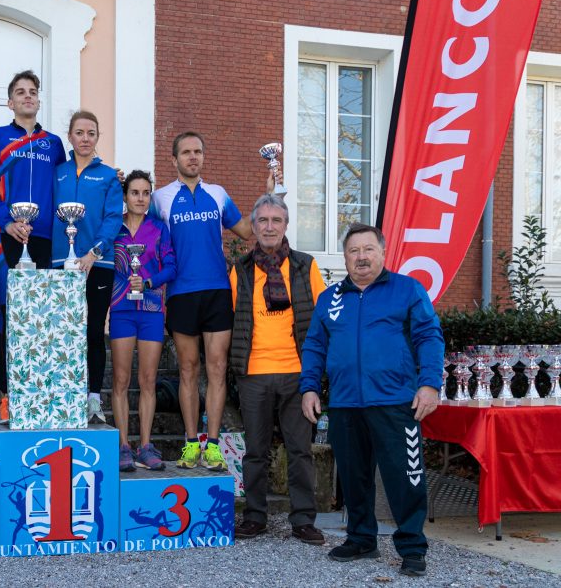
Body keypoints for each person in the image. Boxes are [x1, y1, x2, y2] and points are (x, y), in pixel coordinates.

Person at [300, 223, 444, 578]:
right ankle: (362, 538)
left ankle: (412, 546)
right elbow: (315, 346)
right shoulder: (329, 299)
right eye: (354, 251)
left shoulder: (407, 290)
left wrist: (429, 384)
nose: (361, 257)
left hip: (396, 403)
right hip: (346, 403)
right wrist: (309, 387)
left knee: (405, 477)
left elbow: (429, 336)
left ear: (383, 252)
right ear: (345, 257)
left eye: (368, 249)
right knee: (353, 476)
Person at [150, 131, 260, 470]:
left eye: (198, 151)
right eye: (186, 152)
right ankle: (189, 443)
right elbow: (148, 239)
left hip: (217, 292)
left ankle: (212, 445)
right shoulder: (160, 198)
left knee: (216, 369)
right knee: (187, 370)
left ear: (203, 156)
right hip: (181, 293)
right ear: (175, 160)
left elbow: (246, 231)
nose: (193, 157)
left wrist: (272, 195)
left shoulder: (219, 194)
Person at [230, 194, 326, 545]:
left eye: (276, 220)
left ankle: (303, 520)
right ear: (253, 227)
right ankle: (254, 517)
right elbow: (233, 316)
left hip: (297, 373)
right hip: (253, 372)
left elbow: (320, 319)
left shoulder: (305, 266)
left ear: (286, 225)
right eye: (263, 221)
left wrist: (316, 371)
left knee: (299, 450)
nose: (269, 227)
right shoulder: (240, 269)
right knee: (254, 451)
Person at [0, 70, 66, 423]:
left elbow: (69, 183)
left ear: (39, 99)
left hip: (46, 240)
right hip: (7, 240)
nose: (27, 97)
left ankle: (41, 391)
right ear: (10, 101)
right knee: (8, 318)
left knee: (43, 318)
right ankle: (8, 397)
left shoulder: (54, 143)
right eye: (20, 92)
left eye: (32, 92)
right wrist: (7, 221)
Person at [51, 111, 123, 423]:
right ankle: (63, 394)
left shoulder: (108, 176)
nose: (84, 138)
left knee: (93, 331)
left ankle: (93, 398)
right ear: (70, 136)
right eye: (79, 132)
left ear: (97, 137)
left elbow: (112, 218)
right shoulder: (57, 173)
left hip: (99, 263)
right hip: (59, 262)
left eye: (91, 133)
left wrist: (94, 252)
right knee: (63, 332)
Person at [110, 170, 175, 472]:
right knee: (121, 381)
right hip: (121, 308)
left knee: (147, 381)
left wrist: (148, 283)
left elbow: (171, 267)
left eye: (145, 193)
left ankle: (145, 446)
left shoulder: (159, 228)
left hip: (151, 311)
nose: (140, 198)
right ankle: (123, 446)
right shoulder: (114, 228)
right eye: (134, 192)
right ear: (125, 195)